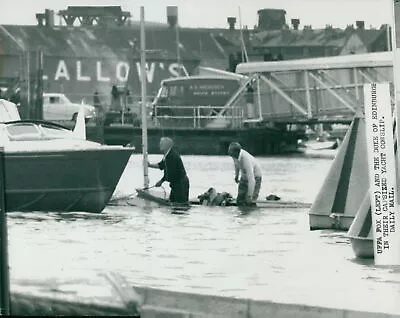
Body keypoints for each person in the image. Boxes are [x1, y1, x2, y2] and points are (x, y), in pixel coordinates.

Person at [148, 137, 190, 205]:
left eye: (161, 144)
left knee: (180, 205)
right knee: (173, 202)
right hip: (175, 184)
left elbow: (171, 173)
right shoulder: (167, 155)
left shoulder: (172, 156)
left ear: (167, 145)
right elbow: (161, 165)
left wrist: (161, 181)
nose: (159, 145)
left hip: (181, 183)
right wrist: (149, 165)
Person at [228, 142, 262, 206]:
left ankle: (251, 212)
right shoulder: (234, 156)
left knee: (250, 201)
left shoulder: (246, 159)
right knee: (240, 200)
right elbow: (236, 164)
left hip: (255, 177)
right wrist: (237, 175)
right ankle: (242, 213)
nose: (228, 153)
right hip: (244, 176)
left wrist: (249, 196)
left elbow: (251, 180)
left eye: (230, 151)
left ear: (236, 152)